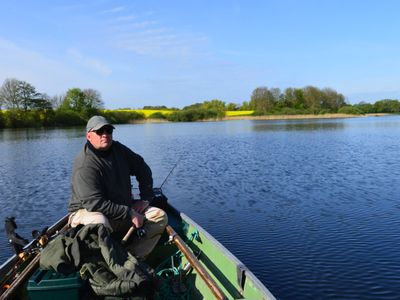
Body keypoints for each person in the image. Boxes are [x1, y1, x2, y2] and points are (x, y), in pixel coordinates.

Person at [68, 115, 168, 259]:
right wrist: (130, 213)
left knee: (159, 216)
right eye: (100, 131)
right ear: (88, 136)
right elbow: (95, 203)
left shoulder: (118, 149)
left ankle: (133, 258)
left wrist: (146, 198)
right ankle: (107, 262)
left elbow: (142, 167)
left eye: (108, 130)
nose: (105, 135)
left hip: (120, 209)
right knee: (99, 222)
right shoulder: (84, 164)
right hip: (86, 212)